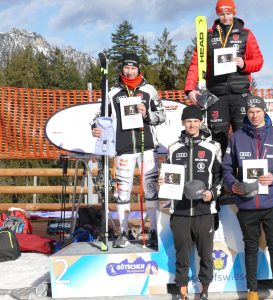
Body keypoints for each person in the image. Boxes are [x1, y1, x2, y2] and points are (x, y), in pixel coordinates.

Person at [222, 96, 273, 300]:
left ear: (265, 112)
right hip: (246, 203)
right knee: (250, 247)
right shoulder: (236, 137)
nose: (254, 115)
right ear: (246, 113)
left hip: (272, 202)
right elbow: (227, 167)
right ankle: (252, 291)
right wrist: (232, 185)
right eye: (251, 111)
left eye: (258, 111)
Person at [92, 52, 166, 248]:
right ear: (122, 68)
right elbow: (100, 116)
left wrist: (147, 113)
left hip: (147, 147)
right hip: (123, 149)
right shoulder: (113, 92)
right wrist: (95, 127)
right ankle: (123, 231)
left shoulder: (149, 90)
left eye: (133, 68)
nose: (130, 71)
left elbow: (162, 115)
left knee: (150, 190)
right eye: (127, 67)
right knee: (122, 192)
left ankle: (153, 230)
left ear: (139, 69)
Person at [185, 0, 264, 154]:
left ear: (234, 13)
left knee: (244, 136)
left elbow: (259, 61)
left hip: (240, 93)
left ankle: (243, 175)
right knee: (218, 138)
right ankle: (220, 177)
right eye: (222, 14)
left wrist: (244, 64)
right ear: (217, 14)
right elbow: (196, 64)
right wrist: (189, 89)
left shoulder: (245, 33)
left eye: (228, 13)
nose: (226, 17)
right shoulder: (207, 35)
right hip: (216, 95)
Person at [160, 105, 222, 300]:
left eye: (196, 121)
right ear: (183, 123)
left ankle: (204, 291)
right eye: (188, 121)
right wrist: (162, 181)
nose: (192, 124)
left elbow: (220, 176)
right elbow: (167, 176)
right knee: (182, 255)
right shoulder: (173, 148)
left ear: (201, 122)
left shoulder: (213, 147)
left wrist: (212, 193)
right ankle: (182, 291)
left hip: (204, 211)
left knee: (206, 255)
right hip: (180, 211)